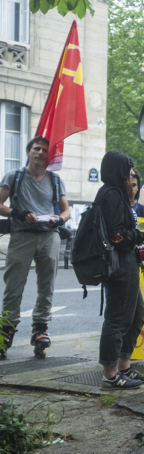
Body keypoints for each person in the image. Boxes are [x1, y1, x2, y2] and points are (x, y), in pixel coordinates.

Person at [0, 136, 70, 359]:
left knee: (46, 285)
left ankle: (40, 329)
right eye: (36, 149)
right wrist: (18, 213)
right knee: (14, 285)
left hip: (49, 236)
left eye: (45, 150)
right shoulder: (14, 176)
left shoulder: (56, 180)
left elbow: (65, 210)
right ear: (28, 152)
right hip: (22, 235)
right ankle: (6, 331)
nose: (41, 152)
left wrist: (58, 220)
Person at [95, 151, 144, 389]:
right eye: (128, 168)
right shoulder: (112, 195)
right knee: (118, 319)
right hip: (120, 264)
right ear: (118, 170)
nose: (132, 173)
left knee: (135, 315)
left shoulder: (117, 195)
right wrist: (143, 236)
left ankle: (124, 366)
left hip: (127, 261)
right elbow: (116, 236)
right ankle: (111, 375)